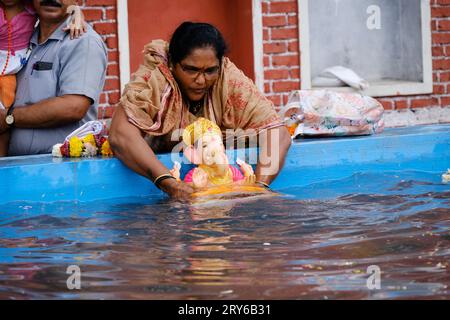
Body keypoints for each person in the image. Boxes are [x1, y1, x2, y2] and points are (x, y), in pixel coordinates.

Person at [109, 22, 291, 200]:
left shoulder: (228, 78)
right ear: (172, 63)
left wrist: (258, 188)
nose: (201, 80)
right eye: (191, 70)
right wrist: (170, 184)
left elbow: (278, 133)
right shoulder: (153, 77)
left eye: (210, 71)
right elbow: (121, 135)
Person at [0, 0, 107, 156]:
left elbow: (73, 107)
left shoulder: (82, 41)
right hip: (18, 168)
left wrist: (8, 118)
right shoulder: (23, 38)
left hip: (63, 170)